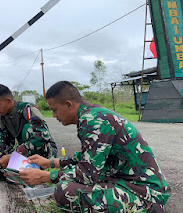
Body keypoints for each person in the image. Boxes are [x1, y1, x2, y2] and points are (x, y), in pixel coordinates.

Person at [19, 81, 170, 212]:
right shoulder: (91, 115)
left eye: (54, 109)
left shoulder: (93, 121)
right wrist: (50, 163)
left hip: (144, 194)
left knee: (64, 191)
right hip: (126, 181)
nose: (53, 116)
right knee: (70, 185)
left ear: (68, 104)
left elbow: (87, 174)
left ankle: (143, 209)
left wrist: (45, 176)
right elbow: (86, 159)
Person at [0, 84, 57, 181]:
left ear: (8, 101)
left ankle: (36, 170)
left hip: (44, 153)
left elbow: (42, 137)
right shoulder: (3, 118)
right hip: (24, 155)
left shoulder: (29, 109)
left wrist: (14, 156)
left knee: (28, 129)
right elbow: (6, 143)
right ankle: (18, 176)